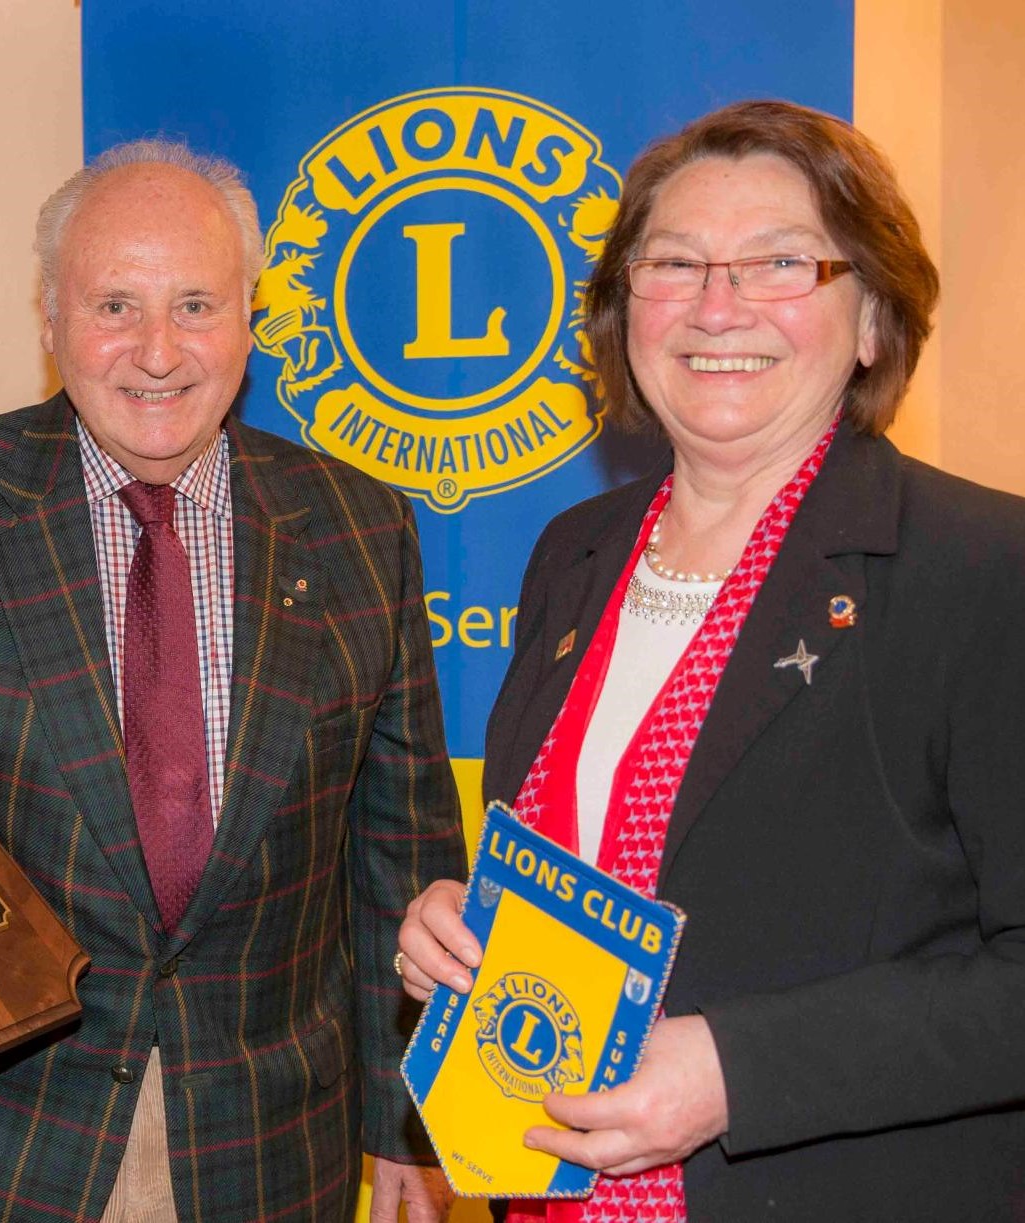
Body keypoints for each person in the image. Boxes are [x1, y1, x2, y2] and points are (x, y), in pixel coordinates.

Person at [0, 140, 464, 1222]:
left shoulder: (358, 523)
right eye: (113, 303)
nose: (156, 351)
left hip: (267, 1151)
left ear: (249, 317)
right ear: (50, 318)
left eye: (196, 303)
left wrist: (406, 1119)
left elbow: (399, 855)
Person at [396, 99, 1025, 1220]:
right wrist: (462, 938)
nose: (715, 304)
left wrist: (739, 1069)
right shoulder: (572, 555)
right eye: (672, 262)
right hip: (543, 1191)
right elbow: (588, 872)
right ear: (620, 312)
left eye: (780, 261)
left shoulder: (982, 571)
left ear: (872, 317)